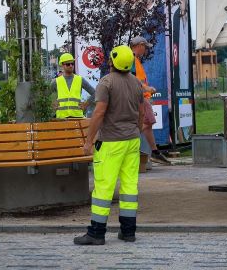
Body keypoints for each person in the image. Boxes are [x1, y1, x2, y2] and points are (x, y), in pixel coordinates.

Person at [74, 45, 144, 245]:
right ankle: (128, 232)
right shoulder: (136, 83)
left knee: (104, 187)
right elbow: (141, 113)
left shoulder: (106, 82)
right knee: (130, 186)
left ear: (112, 60)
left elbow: (99, 113)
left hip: (111, 143)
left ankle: (96, 233)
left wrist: (89, 140)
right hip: (132, 141)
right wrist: (135, 132)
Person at [130, 35, 171, 166]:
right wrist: (147, 88)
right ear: (140, 45)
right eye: (145, 47)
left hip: (141, 96)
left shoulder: (135, 60)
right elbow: (132, 79)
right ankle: (130, 139)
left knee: (148, 124)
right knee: (149, 122)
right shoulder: (132, 59)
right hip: (139, 96)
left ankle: (154, 151)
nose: (146, 50)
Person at [55, 52, 95, 118]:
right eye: (68, 64)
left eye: (72, 64)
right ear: (62, 65)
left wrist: (86, 104)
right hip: (61, 118)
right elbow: (43, 95)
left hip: (77, 117)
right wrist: (52, 104)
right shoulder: (56, 81)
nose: (71, 66)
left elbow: (95, 93)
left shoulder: (80, 79)